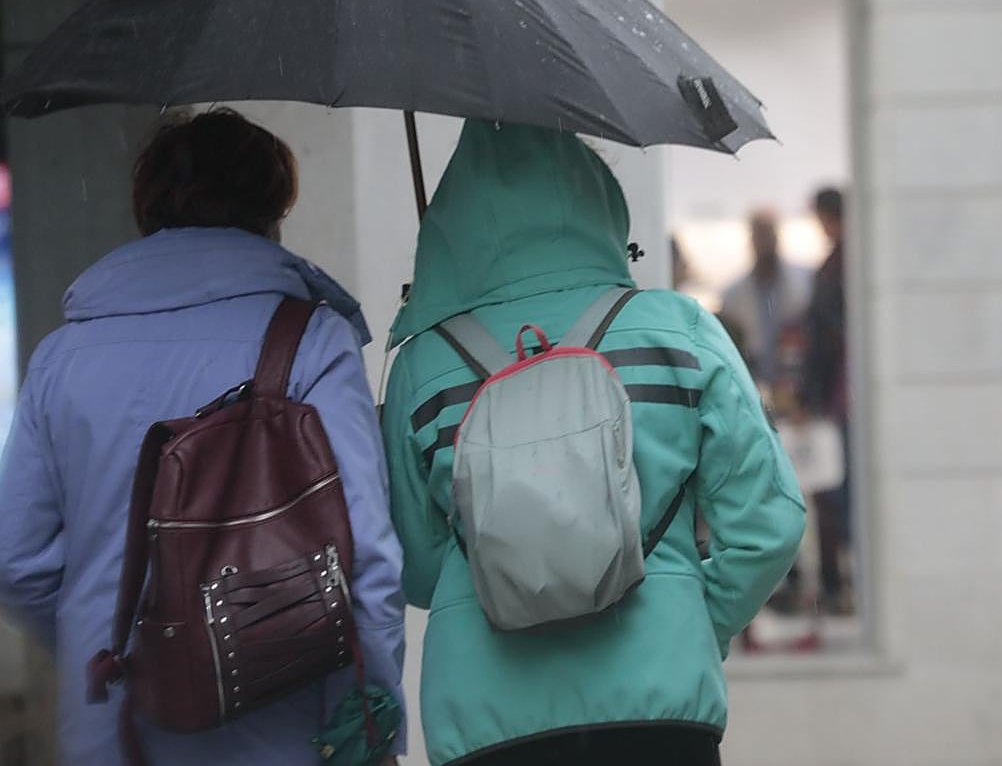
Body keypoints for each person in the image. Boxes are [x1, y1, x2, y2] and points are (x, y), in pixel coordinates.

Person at [383, 121, 806, 766]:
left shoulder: (423, 366)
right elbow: (768, 526)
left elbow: (415, 568)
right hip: (660, 705)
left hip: (485, 722)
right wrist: (692, 618)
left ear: (455, 224)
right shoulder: (680, 330)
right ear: (599, 204)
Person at [0, 109, 407, 765]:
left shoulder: (63, 355)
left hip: (118, 735)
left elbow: (17, 561)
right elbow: (367, 560)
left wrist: (107, 643)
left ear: (147, 210)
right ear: (272, 211)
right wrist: (373, 718)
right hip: (287, 731)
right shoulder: (309, 340)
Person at [799, 186, 852, 615]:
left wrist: (808, 395)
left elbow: (823, 342)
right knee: (834, 493)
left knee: (831, 493)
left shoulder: (837, 269)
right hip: (844, 396)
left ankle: (836, 586)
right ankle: (838, 585)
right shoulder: (842, 266)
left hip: (838, 398)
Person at [718, 209, 812, 389]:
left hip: (798, 380)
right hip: (754, 380)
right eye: (759, 236)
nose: (764, 243)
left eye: (768, 235)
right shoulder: (733, 295)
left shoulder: (804, 282)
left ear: (777, 238)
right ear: (751, 240)